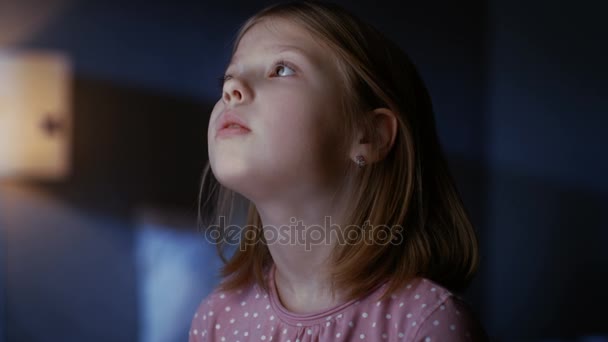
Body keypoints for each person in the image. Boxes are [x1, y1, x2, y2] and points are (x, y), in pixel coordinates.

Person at [190, 1, 488, 340]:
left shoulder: (427, 324)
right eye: (227, 78)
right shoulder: (216, 320)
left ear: (369, 136)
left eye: (282, 69)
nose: (231, 89)